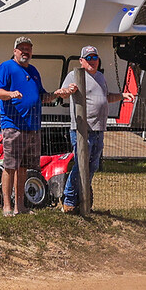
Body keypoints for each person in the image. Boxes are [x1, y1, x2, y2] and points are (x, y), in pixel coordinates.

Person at [0, 36, 44, 218]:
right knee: (10, 166)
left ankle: (19, 206)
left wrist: (59, 94)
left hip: (32, 126)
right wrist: (11, 94)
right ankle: (6, 205)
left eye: (28, 48)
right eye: (21, 48)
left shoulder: (34, 71)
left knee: (23, 168)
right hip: (13, 125)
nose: (25, 52)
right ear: (15, 51)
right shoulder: (6, 67)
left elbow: (42, 96)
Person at [52, 45, 109, 213]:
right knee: (80, 165)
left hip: (99, 129)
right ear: (82, 61)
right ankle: (68, 200)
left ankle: (83, 198)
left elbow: (105, 97)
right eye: (89, 58)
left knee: (93, 166)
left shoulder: (101, 77)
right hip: (82, 130)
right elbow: (63, 93)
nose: (92, 61)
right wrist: (66, 91)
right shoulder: (75, 75)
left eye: (95, 58)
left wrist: (121, 96)